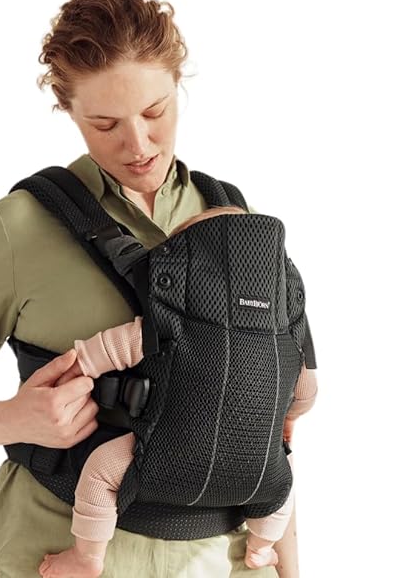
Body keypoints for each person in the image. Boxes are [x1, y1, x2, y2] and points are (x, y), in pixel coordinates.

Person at [0, 0, 307, 576]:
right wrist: (16, 418)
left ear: (179, 83)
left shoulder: (239, 225)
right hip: (53, 549)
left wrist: (289, 568)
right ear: (68, 110)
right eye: (105, 123)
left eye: (155, 111)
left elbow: (268, 429)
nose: (138, 144)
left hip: (223, 560)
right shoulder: (19, 227)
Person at [38, 205, 318, 578]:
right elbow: (306, 390)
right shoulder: (285, 334)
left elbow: (110, 349)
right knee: (284, 481)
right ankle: (261, 548)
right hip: (257, 471)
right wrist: (290, 415)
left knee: (101, 472)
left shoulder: (172, 322)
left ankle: (87, 557)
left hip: (166, 455)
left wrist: (74, 369)